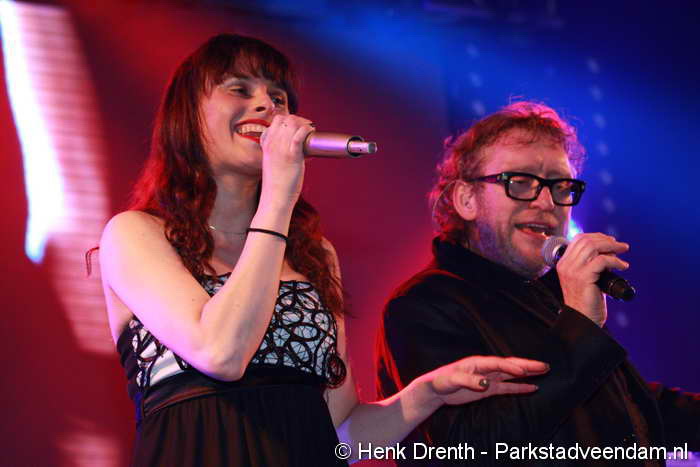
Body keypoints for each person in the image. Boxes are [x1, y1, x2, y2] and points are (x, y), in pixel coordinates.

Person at [95, 34, 548, 466]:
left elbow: (343, 435)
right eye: (239, 88)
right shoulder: (136, 235)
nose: (266, 105)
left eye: (279, 97)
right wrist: (278, 198)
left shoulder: (312, 256)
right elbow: (220, 353)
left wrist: (427, 394)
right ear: (187, 115)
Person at [376, 102, 700, 466]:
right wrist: (579, 326)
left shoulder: (548, 293)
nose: (547, 201)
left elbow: (625, 404)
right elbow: (473, 447)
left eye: (561, 186)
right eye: (521, 182)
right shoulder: (423, 305)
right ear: (467, 199)